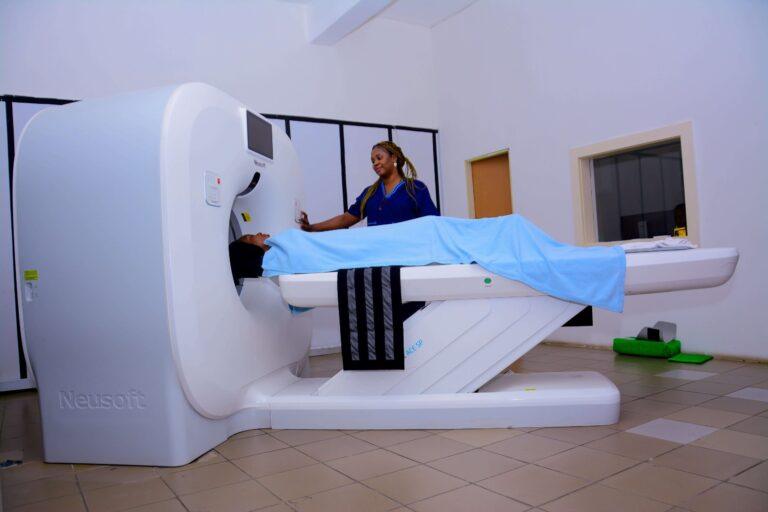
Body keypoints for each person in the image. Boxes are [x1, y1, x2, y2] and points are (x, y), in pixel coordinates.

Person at [298, 141, 438, 231]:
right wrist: (312, 227)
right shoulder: (370, 193)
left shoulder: (416, 189)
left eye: (379, 158)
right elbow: (345, 219)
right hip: (376, 258)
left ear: (394, 158)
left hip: (407, 257)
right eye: (372, 161)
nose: (375, 163)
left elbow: (433, 223)